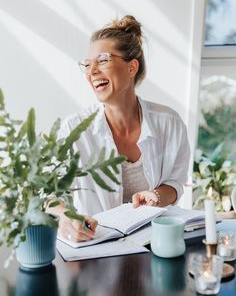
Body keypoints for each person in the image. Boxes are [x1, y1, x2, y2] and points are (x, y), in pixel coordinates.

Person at [49, 15, 190, 242]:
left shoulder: (169, 123)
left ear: (132, 67)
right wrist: (66, 216)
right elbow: (48, 192)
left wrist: (155, 196)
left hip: (155, 244)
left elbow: (175, 184)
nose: (91, 71)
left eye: (102, 60)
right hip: (96, 248)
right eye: (87, 64)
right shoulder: (73, 129)